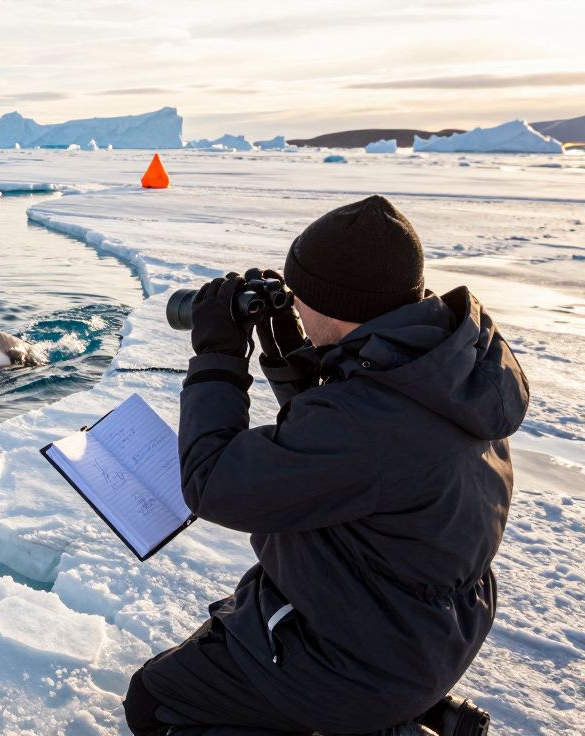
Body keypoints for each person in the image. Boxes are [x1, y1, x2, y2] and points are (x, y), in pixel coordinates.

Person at [123, 195, 528, 735]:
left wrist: (217, 359)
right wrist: (290, 359)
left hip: (361, 662)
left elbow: (214, 484)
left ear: (334, 305)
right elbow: (348, 462)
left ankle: (378, 726)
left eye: (300, 297)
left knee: (154, 703)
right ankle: (408, 709)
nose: (294, 305)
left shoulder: (366, 421)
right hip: (425, 626)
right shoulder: (444, 364)